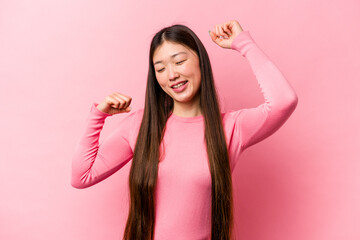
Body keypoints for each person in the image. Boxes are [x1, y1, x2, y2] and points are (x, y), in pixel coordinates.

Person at [71, 20, 298, 240]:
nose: (171, 75)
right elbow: (81, 176)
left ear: (201, 61)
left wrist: (243, 43)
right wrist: (98, 115)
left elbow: (284, 101)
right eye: (160, 68)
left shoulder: (231, 128)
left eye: (179, 62)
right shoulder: (141, 125)